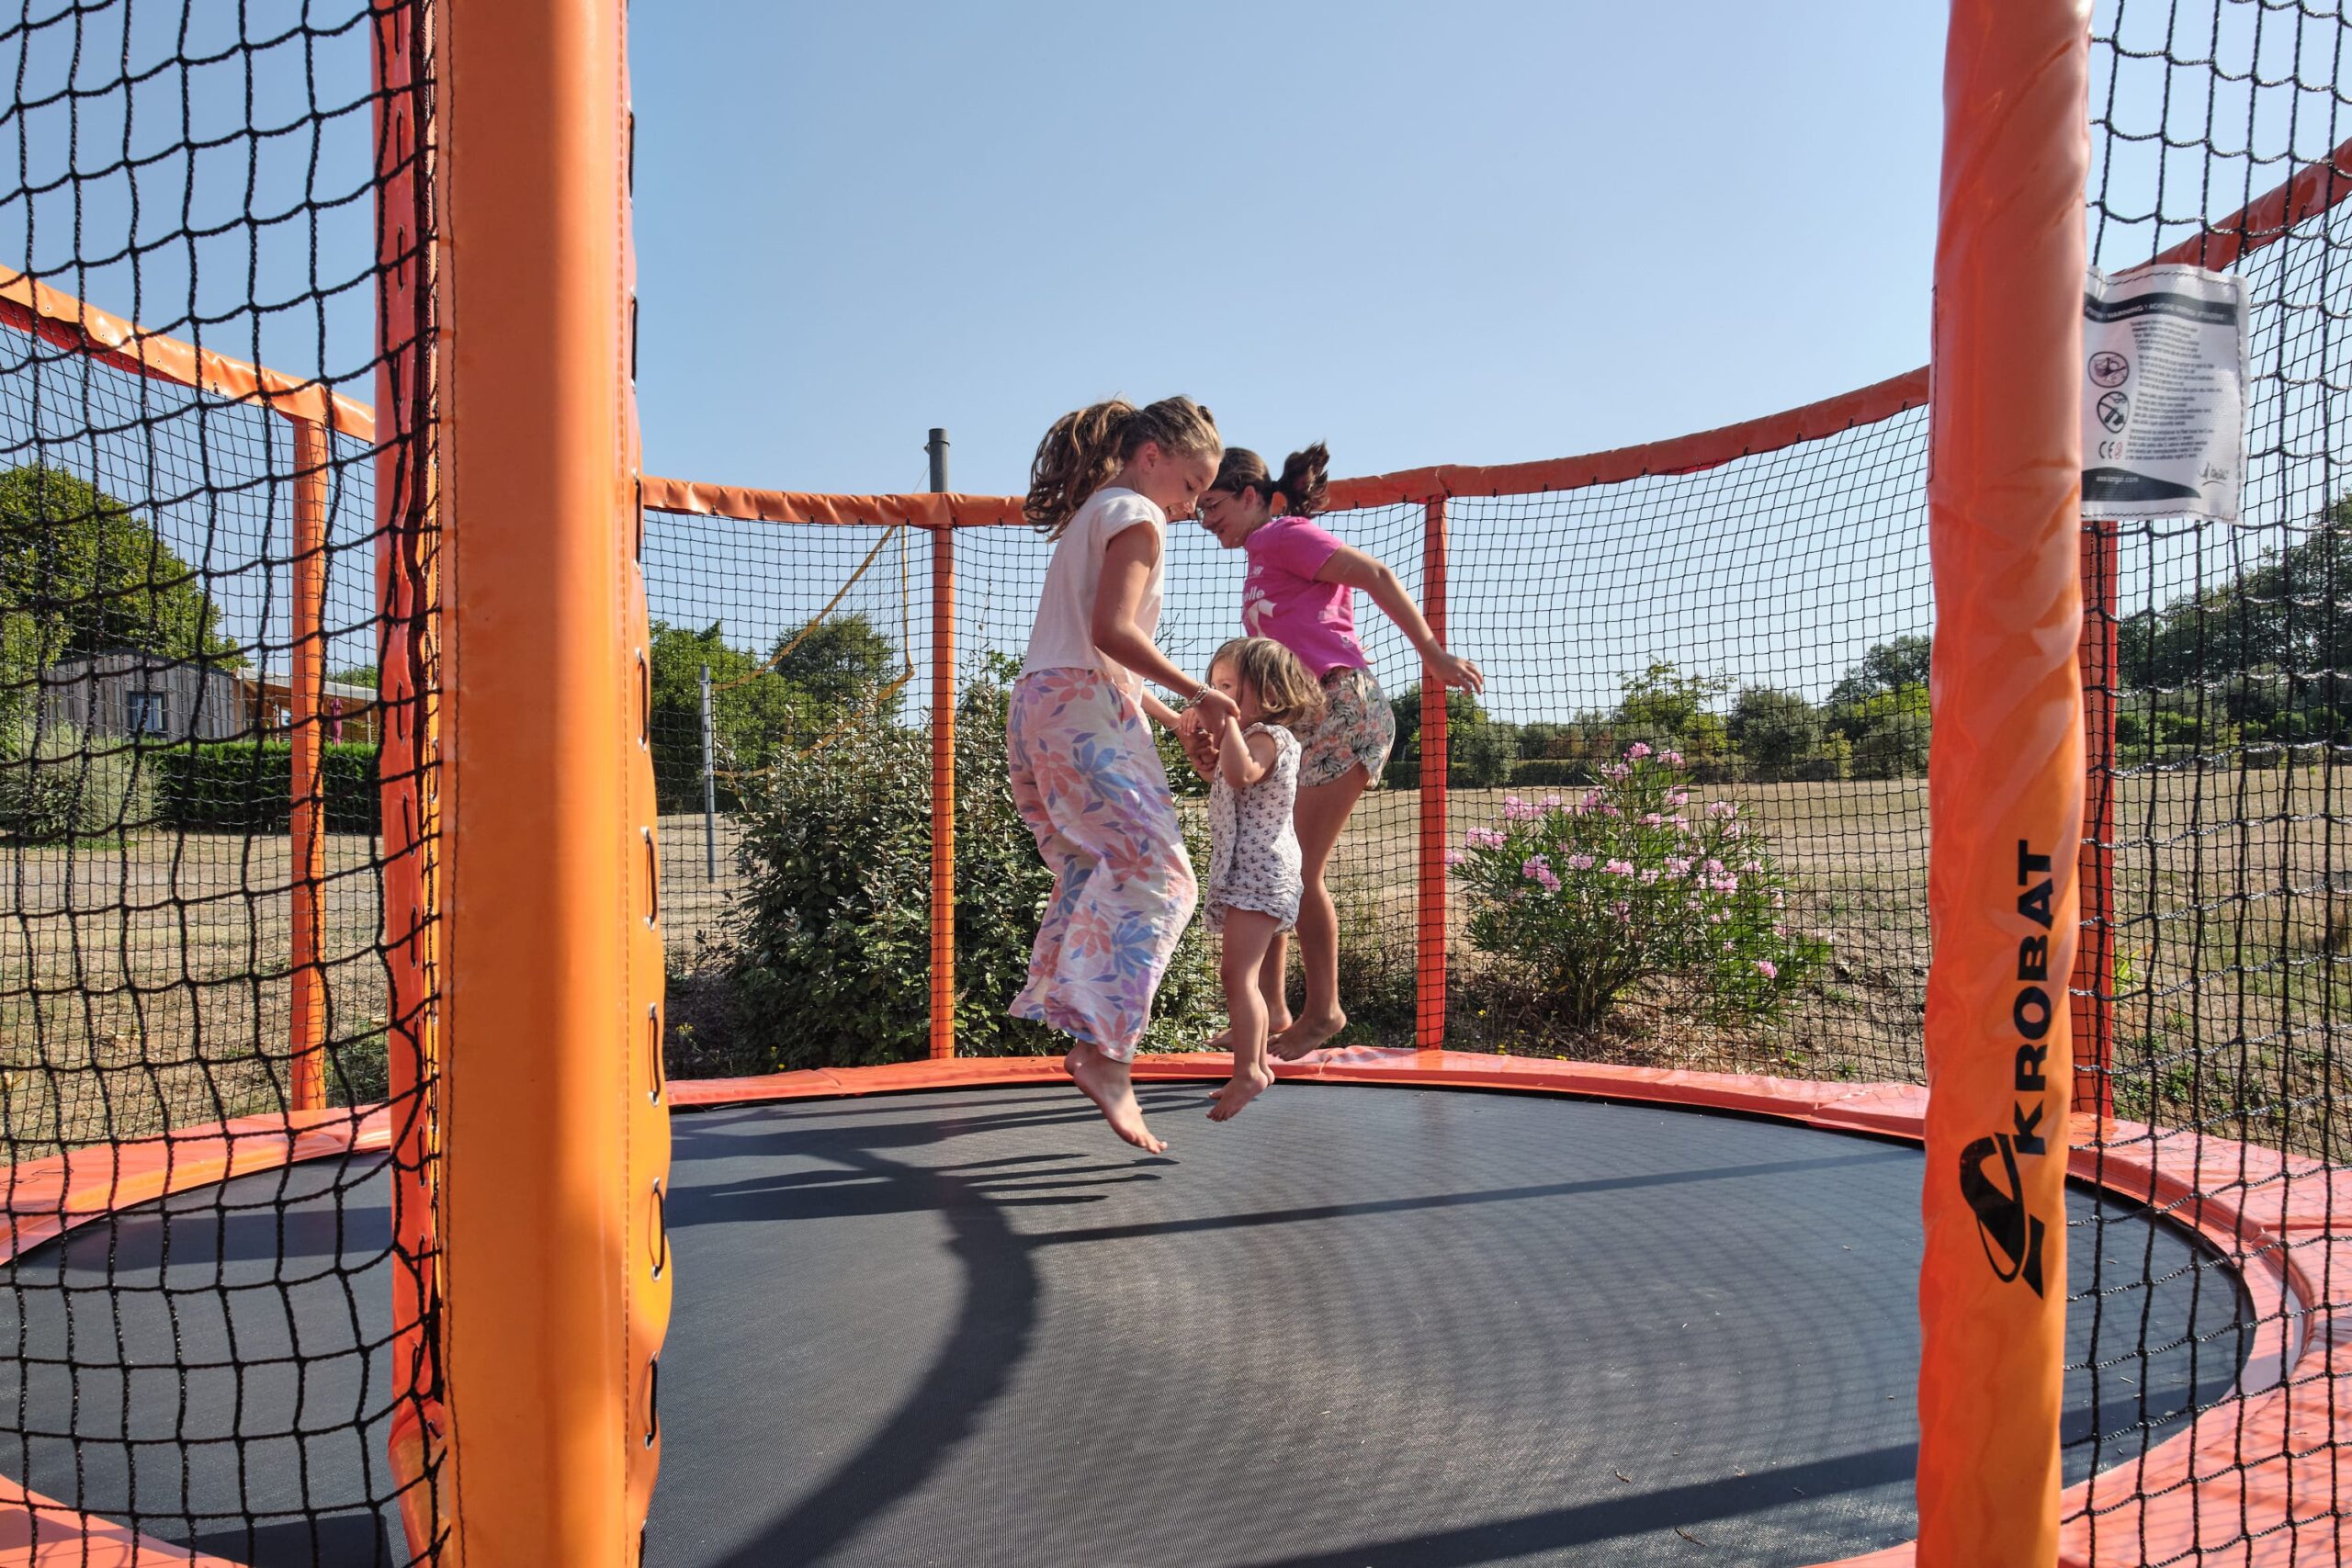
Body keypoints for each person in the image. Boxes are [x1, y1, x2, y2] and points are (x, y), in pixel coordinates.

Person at [1193, 443, 1485, 1057]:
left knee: (1295, 867)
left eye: (1213, 504)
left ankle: (1322, 1010)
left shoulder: (1282, 535)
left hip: (1342, 706)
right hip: (1304, 719)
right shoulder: (1258, 553)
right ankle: (1270, 1010)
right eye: (1197, 509)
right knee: (1267, 861)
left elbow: (1375, 574)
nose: (1204, 518)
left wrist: (1432, 653)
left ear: (1251, 496)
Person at [1007, 395, 1238, 1155]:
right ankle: (1107, 1054)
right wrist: (1200, 693)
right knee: (1166, 879)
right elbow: (1114, 633)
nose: (1191, 506)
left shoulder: (1093, 513)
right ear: (1151, 457)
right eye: (1193, 485)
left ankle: (1076, 1018)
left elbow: (1093, 649)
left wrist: (1174, 724)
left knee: (1092, 864)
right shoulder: (1135, 513)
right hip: (1082, 706)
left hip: (1043, 704)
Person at [1187, 636, 1323, 1122]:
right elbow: (1227, 781)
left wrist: (1220, 726)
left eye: (1227, 687)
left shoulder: (1270, 737)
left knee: (1236, 976)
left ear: (1266, 692)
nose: (1217, 695)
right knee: (1241, 975)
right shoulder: (1246, 737)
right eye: (1212, 686)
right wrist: (1203, 751)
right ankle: (1253, 1054)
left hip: (1261, 871)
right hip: (1248, 870)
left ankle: (1250, 1070)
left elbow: (1243, 774)